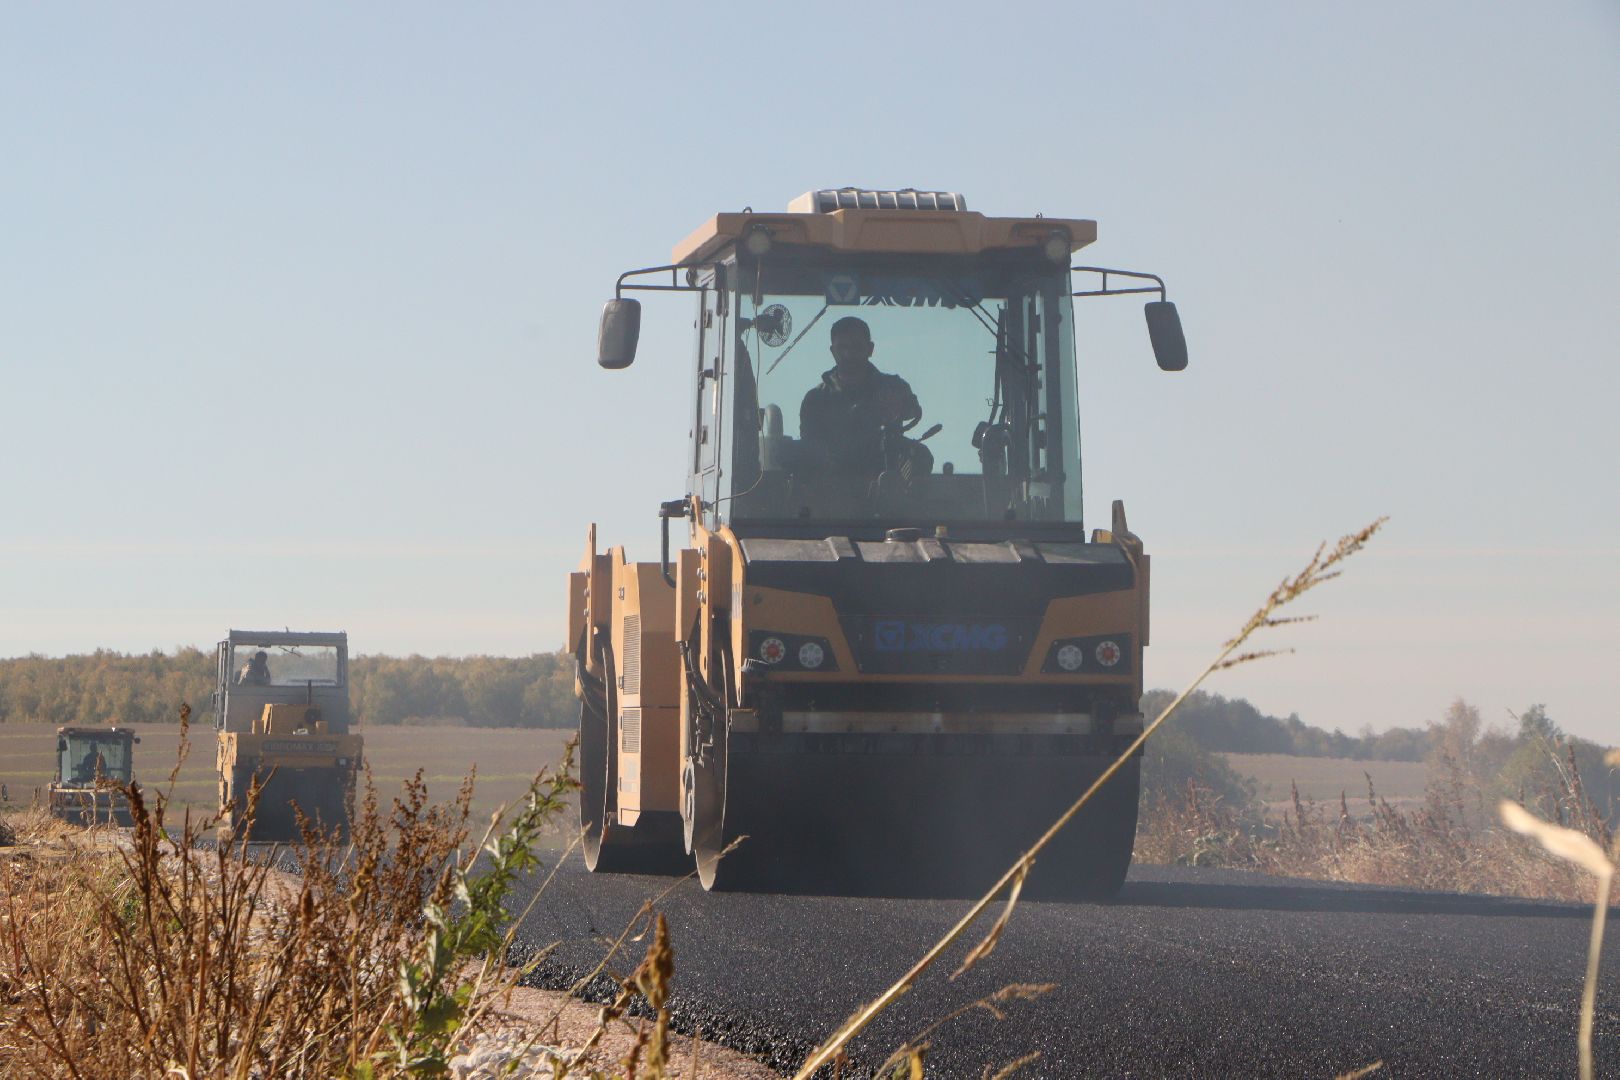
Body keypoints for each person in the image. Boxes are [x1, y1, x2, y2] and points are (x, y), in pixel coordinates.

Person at [799, 317, 929, 484]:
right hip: (834, 485)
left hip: (886, 476)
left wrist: (894, 408)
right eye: (842, 347)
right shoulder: (816, 399)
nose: (848, 354)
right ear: (832, 351)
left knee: (920, 455)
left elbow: (913, 411)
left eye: (856, 347)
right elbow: (809, 448)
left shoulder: (893, 387)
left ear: (870, 348)